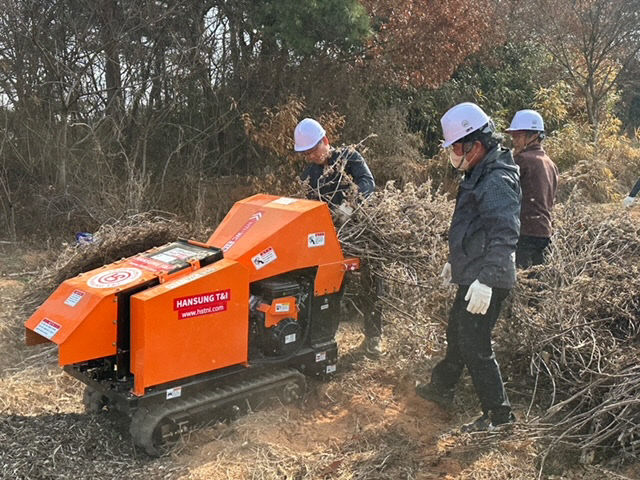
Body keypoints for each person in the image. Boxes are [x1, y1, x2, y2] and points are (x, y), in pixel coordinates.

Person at [415, 103, 521, 433]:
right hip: (473, 273)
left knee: (475, 344)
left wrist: (487, 281)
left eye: (457, 148)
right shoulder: (478, 172)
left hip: (488, 277)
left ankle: (500, 416)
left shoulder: (496, 180)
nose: (453, 155)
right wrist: (455, 262)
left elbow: (505, 233)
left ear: (476, 145)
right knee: (456, 332)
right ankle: (442, 386)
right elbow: (473, 228)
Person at [294, 118, 383, 358]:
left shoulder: (349, 158)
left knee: (371, 285)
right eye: (306, 153)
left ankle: (374, 337)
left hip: (361, 230)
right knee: (329, 287)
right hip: (332, 238)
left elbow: (367, 182)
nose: (311, 156)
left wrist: (351, 205)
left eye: (314, 150)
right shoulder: (310, 174)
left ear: (325, 141)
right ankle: (325, 337)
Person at [505, 110, 558, 268]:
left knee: (518, 283)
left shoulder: (522, 160)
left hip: (524, 234)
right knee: (536, 286)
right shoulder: (551, 164)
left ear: (533, 136)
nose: (514, 140)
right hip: (544, 233)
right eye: (513, 136)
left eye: (517, 135)